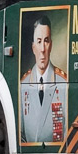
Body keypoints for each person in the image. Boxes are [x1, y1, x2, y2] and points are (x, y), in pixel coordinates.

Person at [20, 14, 68, 144]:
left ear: (51, 45)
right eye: (39, 41)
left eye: (46, 41)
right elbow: (21, 132)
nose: (42, 49)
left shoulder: (63, 81)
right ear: (33, 47)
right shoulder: (24, 83)